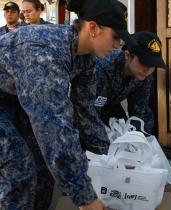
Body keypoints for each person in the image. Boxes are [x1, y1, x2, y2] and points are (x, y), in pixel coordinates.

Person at [0, 0, 136, 210]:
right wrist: (87, 199)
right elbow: (53, 129)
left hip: (11, 96)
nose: (118, 46)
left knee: (42, 166)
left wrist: (109, 162)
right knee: (19, 166)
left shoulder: (86, 60)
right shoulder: (45, 52)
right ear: (92, 28)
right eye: (116, 37)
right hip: (6, 98)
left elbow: (86, 115)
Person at [95, 31, 166, 133]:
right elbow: (86, 111)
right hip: (83, 106)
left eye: (152, 65)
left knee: (124, 133)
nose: (148, 69)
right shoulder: (103, 66)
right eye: (144, 62)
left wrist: (141, 142)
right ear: (128, 55)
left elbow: (140, 110)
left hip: (110, 105)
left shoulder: (144, 75)